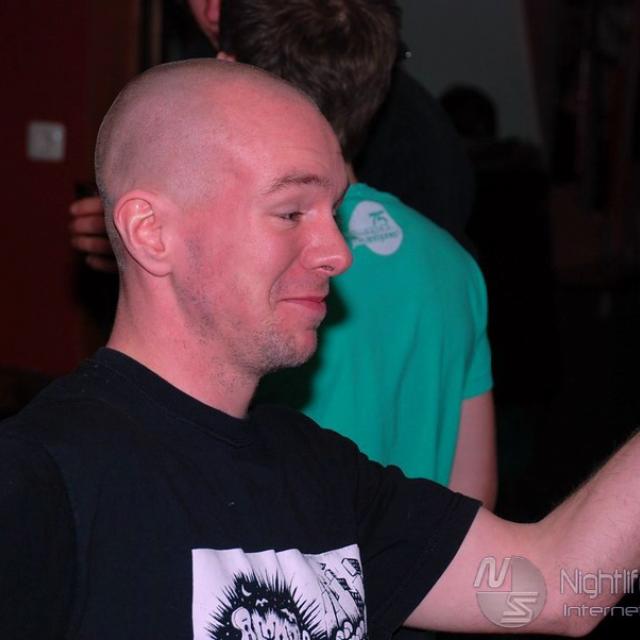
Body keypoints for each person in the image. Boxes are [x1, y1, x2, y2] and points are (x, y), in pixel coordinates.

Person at [4, 60, 640, 639]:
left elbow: (556, 590)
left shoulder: (321, 470)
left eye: (333, 212)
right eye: (291, 212)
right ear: (152, 233)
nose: (338, 253)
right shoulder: (41, 478)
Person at [70, 0, 496, 504]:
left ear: (231, 71)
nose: (336, 255)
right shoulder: (452, 263)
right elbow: (474, 496)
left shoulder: (250, 290)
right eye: (290, 213)